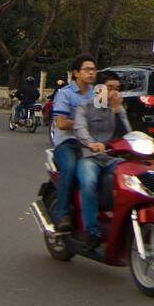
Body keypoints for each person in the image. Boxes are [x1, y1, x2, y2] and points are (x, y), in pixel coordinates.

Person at [69, 71, 132, 249]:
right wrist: (91, 144)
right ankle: (92, 231)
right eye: (110, 88)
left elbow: (127, 134)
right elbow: (80, 129)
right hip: (89, 157)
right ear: (98, 90)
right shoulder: (85, 107)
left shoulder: (118, 108)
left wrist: (117, 111)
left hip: (111, 158)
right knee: (88, 183)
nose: (114, 92)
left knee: (131, 179)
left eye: (117, 89)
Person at [51, 55, 100, 232]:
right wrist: (83, 123)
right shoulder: (65, 93)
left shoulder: (98, 94)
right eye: (87, 69)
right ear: (76, 73)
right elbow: (62, 123)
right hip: (68, 143)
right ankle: (62, 213)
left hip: (91, 144)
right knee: (70, 167)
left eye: (93, 69)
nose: (91, 72)